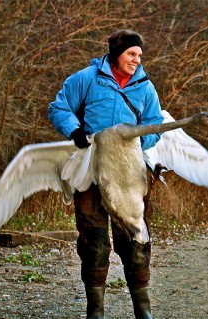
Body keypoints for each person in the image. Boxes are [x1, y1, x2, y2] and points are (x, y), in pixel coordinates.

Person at [48, 30, 163, 319]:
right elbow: (59, 106)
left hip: (127, 173)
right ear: (116, 53)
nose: (137, 60)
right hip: (92, 170)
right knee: (93, 239)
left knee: (135, 238)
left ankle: (143, 309)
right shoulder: (87, 78)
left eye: (139, 55)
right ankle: (95, 310)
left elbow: (154, 124)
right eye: (131, 54)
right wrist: (74, 131)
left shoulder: (145, 88)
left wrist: (137, 146)